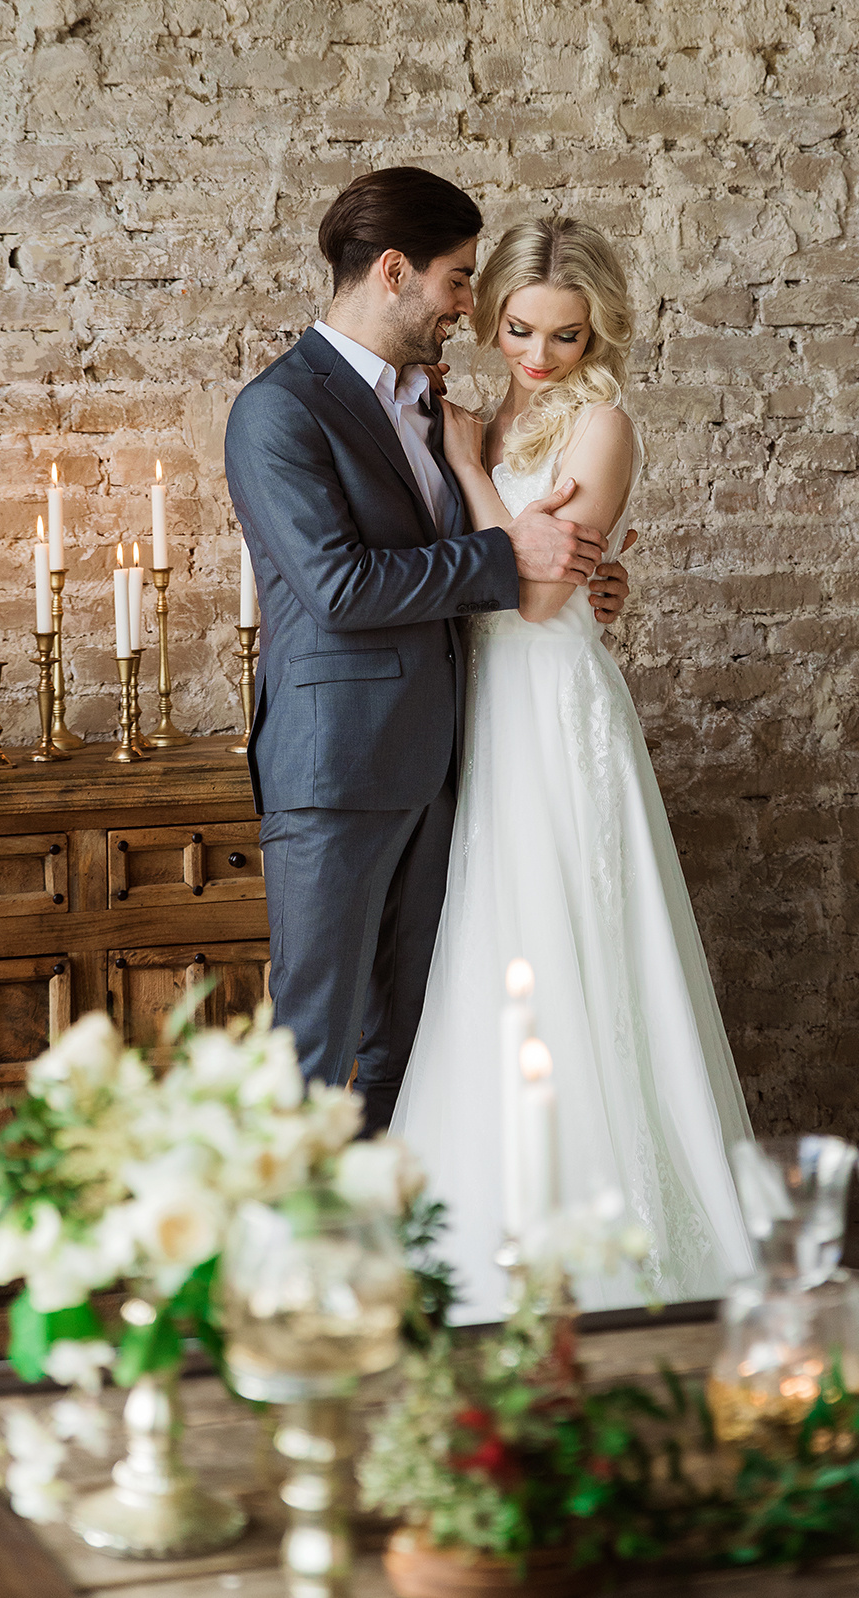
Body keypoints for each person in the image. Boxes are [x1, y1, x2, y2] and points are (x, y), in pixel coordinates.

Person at [391, 214, 752, 1319]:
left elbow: (541, 594)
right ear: (490, 311)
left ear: (597, 331)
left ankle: (613, 1237)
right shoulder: (490, 407)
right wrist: (483, 476)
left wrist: (467, 470)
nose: (537, 357)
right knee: (491, 938)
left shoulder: (601, 425)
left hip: (552, 703)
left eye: (562, 336)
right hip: (479, 700)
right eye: (517, 329)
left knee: (570, 938)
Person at [224, 170, 632, 1135]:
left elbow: (488, 558)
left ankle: (379, 1263)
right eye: (457, 282)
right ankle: (289, 1276)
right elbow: (339, 588)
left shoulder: (429, 402)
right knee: (313, 1044)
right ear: (397, 272)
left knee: (409, 1041)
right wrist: (509, 558)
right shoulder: (279, 410)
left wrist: (585, 584)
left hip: (454, 759)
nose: (466, 306)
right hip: (337, 772)